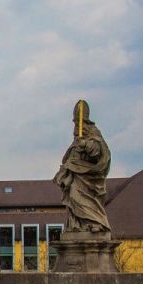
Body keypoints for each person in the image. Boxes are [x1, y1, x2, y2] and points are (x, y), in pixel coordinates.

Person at [53, 99, 112, 234]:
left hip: (88, 175)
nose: (75, 125)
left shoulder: (93, 133)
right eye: (74, 122)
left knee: (79, 197)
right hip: (77, 173)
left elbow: (98, 151)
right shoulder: (78, 136)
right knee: (73, 198)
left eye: (76, 121)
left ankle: (95, 222)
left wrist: (85, 145)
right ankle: (78, 225)